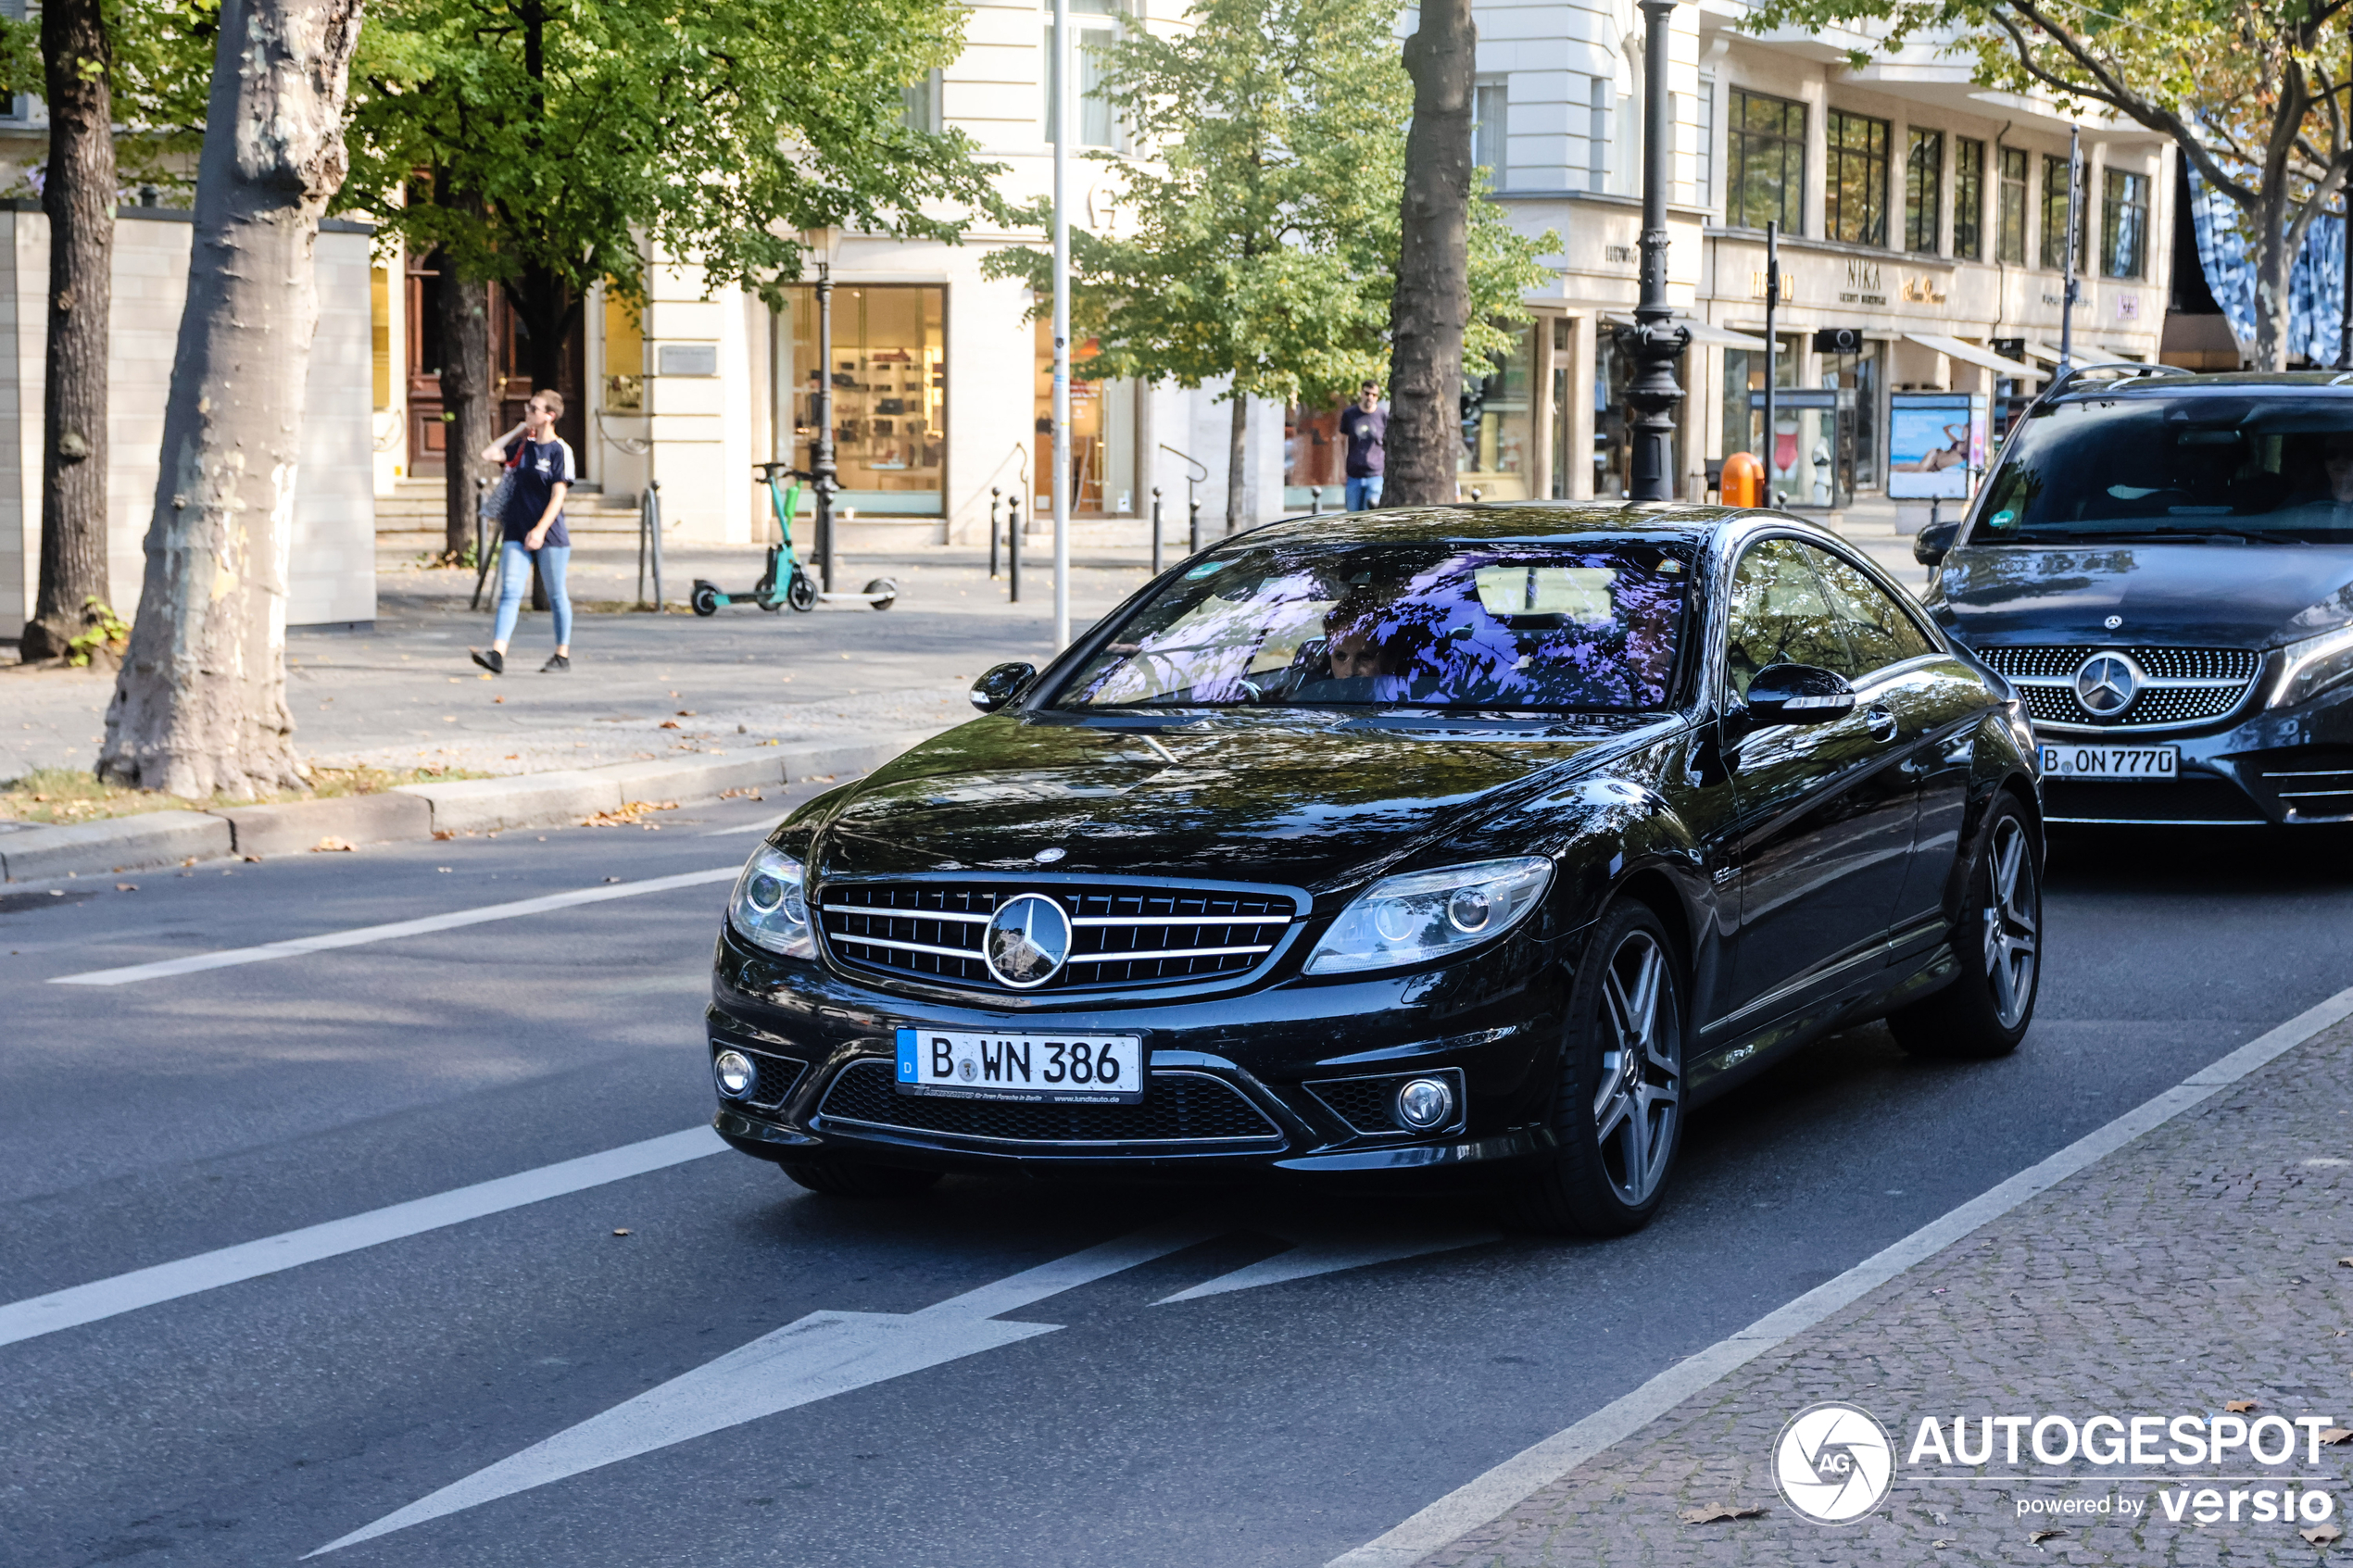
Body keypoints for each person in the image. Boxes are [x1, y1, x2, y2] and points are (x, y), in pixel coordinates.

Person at [471, 391, 575, 674]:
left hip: (550, 534)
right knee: (510, 592)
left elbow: (558, 496)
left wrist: (540, 530)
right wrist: (518, 429)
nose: (527, 411)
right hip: (517, 530)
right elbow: (488, 454)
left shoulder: (559, 451)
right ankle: (497, 654)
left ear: (549, 416)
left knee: (556, 595)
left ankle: (561, 654)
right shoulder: (523, 447)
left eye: (533, 408)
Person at [1339, 383, 1386, 511]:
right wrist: (1341, 470)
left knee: (1371, 519)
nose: (1370, 397)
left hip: (1376, 475)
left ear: (1377, 397)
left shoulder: (1383, 416)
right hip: (1354, 475)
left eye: (1374, 395)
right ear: (1361, 393)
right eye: (1367, 393)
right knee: (1353, 519)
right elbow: (1342, 443)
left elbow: (1388, 446)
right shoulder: (1349, 414)